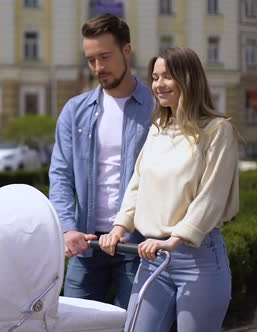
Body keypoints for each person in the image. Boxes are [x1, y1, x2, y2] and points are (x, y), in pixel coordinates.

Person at [99, 47, 239, 331]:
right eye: (154, 77)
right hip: (153, 257)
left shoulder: (216, 131)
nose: (158, 84)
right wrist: (118, 227)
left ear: (189, 79)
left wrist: (174, 240)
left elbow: (210, 198)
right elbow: (137, 184)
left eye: (167, 77)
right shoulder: (158, 128)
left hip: (198, 260)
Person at [49, 14, 154, 309]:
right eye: (91, 60)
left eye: (105, 57)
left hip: (137, 244)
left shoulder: (157, 109)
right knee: (75, 325)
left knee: (134, 325)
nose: (98, 68)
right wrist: (67, 229)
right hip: (86, 243)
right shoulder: (75, 111)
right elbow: (60, 175)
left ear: (127, 51)